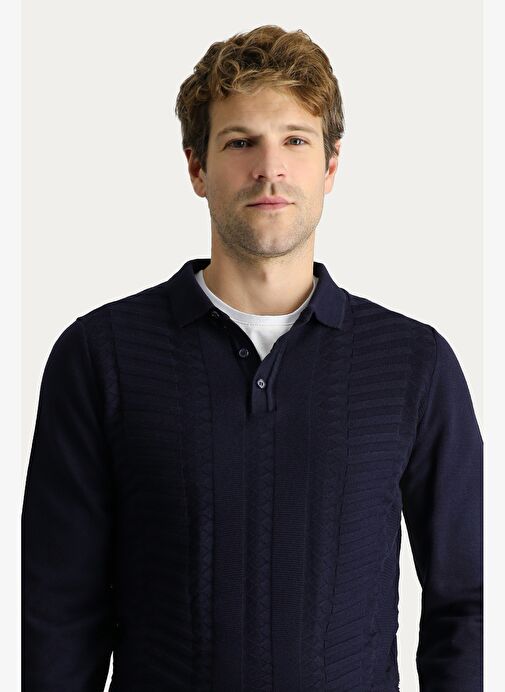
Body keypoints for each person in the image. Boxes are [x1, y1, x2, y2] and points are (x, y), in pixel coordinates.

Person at [22, 24, 483, 691]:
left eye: (295, 140)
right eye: (240, 142)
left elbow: (467, 601)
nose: (270, 168)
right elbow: (58, 610)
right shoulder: (101, 356)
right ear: (196, 167)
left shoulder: (414, 364)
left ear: (330, 166)